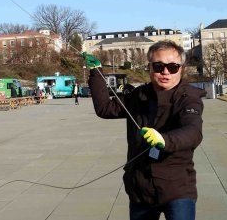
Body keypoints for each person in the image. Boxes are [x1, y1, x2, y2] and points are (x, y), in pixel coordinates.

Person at [84, 41, 205, 220]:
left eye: (173, 67)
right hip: (141, 188)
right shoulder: (138, 95)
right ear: (149, 67)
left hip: (177, 187)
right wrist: (96, 73)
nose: (165, 72)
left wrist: (165, 139)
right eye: (158, 66)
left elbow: (193, 131)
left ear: (181, 69)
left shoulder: (189, 98)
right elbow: (105, 108)